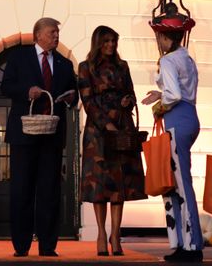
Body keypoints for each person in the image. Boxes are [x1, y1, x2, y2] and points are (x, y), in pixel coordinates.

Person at [0, 17, 77, 258]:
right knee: (22, 191)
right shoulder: (18, 58)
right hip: (23, 135)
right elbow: (5, 87)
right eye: (52, 32)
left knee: (50, 192)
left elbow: (74, 96)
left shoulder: (64, 64)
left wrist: (70, 97)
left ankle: (47, 246)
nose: (56, 36)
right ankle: (21, 246)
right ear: (38, 35)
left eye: (57, 32)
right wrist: (26, 92)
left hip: (52, 136)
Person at [77, 26, 145, 257]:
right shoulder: (86, 68)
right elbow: (87, 100)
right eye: (106, 41)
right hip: (98, 133)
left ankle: (116, 235)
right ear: (98, 42)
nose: (111, 45)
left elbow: (133, 94)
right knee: (99, 184)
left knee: (120, 184)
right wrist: (106, 124)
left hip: (122, 128)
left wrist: (128, 100)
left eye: (114, 41)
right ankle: (100, 234)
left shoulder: (122, 66)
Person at [142, 14, 202, 263]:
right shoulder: (187, 58)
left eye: (160, 37)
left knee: (178, 184)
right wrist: (162, 94)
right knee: (176, 182)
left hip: (177, 119)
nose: (159, 41)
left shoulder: (168, 60)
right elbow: (180, 91)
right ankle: (183, 243)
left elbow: (174, 94)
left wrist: (161, 104)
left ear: (166, 37)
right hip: (189, 117)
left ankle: (189, 245)